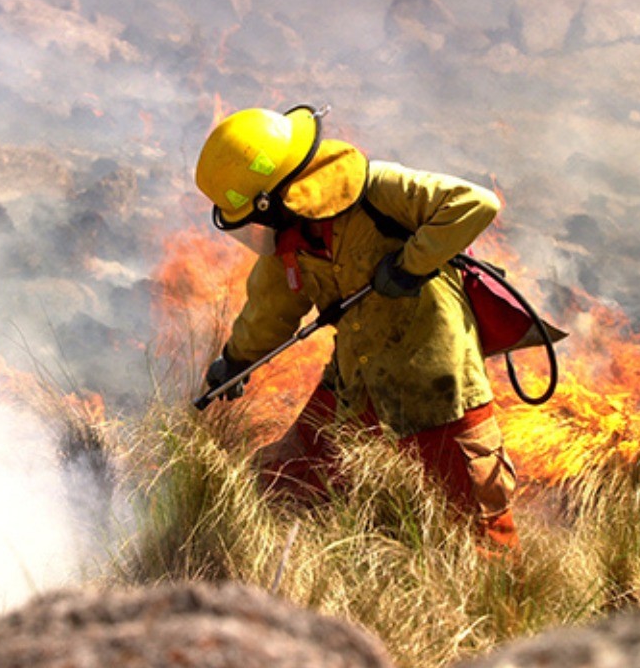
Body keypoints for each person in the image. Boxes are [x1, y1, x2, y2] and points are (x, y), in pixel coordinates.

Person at [195, 104, 519, 550]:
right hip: (356, 384)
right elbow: (272, 308)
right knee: (283, 483)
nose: (253, 227)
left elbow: (476, 203)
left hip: (436, 388)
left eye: (253, 214)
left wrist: (408, 267)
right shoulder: (290, 240)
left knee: (476, 529)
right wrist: (235, 360)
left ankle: (501, 595)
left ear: (272, 200)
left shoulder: (375, 190)